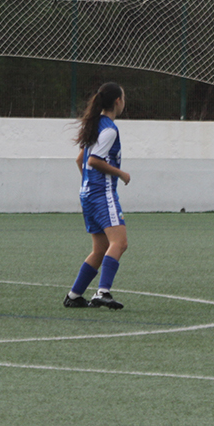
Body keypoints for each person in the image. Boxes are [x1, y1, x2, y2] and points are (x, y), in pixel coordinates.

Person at [63, 82, 130, 310]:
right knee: (119, 243)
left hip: (88, 195)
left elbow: (80, 160)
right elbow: (93, 161)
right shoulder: (109, 128)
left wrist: (88, 184)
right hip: (102, 194)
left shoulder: (94, 124)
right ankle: (103, 292)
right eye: (124, 98)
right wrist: (121, 173)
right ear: (117, 101)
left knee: (100, 249)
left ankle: (74, 295)